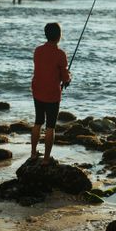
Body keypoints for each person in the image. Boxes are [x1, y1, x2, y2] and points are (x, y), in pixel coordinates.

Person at [31, 22, 71, 165]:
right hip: (52, 94)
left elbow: (44, 69)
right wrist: (68, 78)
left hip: (37, 91)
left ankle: (33, 153)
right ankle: (46, 159)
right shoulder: (60, 54)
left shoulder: (37, 50)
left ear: (46, 34)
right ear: (59, 36)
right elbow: (65, 77)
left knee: (38, 122)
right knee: (50, 126)